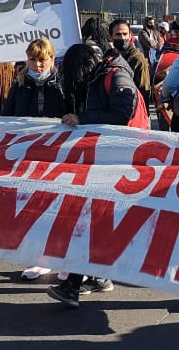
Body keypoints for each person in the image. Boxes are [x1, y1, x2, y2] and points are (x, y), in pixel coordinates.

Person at [45, 42, 140, 307]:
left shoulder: (116, 75)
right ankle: (97, 276)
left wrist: (82, 118)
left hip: (119, 160)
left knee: (89, 220)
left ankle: (73, 284)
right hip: (104, 158)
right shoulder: (102, 74)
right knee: (95, 220)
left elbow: (123, 114)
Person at [1, 38, 65, 280]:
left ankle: (62, 258)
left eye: (43, 59)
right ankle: (39, 258)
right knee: (32, 206)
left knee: (58, 207)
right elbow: (7, 115)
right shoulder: (20, 82)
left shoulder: (62, 82)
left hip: (57, 155)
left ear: (51, 58)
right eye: (33, 59)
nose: (38, 64)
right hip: (27, 154)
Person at [109, 18, 153, 106]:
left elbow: (144, 91)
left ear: (130, 36)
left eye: (125, 34)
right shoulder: (108, 57)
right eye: (118, 34)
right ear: (110, 37)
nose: (122, 38)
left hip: (132, 109)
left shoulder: (137, 59)